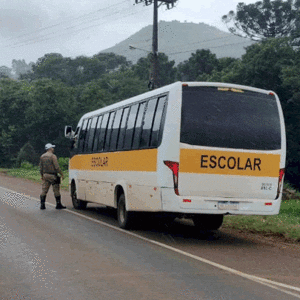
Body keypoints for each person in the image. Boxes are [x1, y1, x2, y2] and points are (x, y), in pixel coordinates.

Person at [39, 143, 66, 210]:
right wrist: (61, 174)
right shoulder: (53, 156)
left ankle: (42, 205)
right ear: (50, 148)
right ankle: (58, 204)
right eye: (52, 148)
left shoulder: (42, 156)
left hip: (45, 175)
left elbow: (41, 168)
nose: (53, 149)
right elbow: (56, 167)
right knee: (56, 190)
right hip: (53, 175)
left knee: (44, 190)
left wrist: (42, 175)